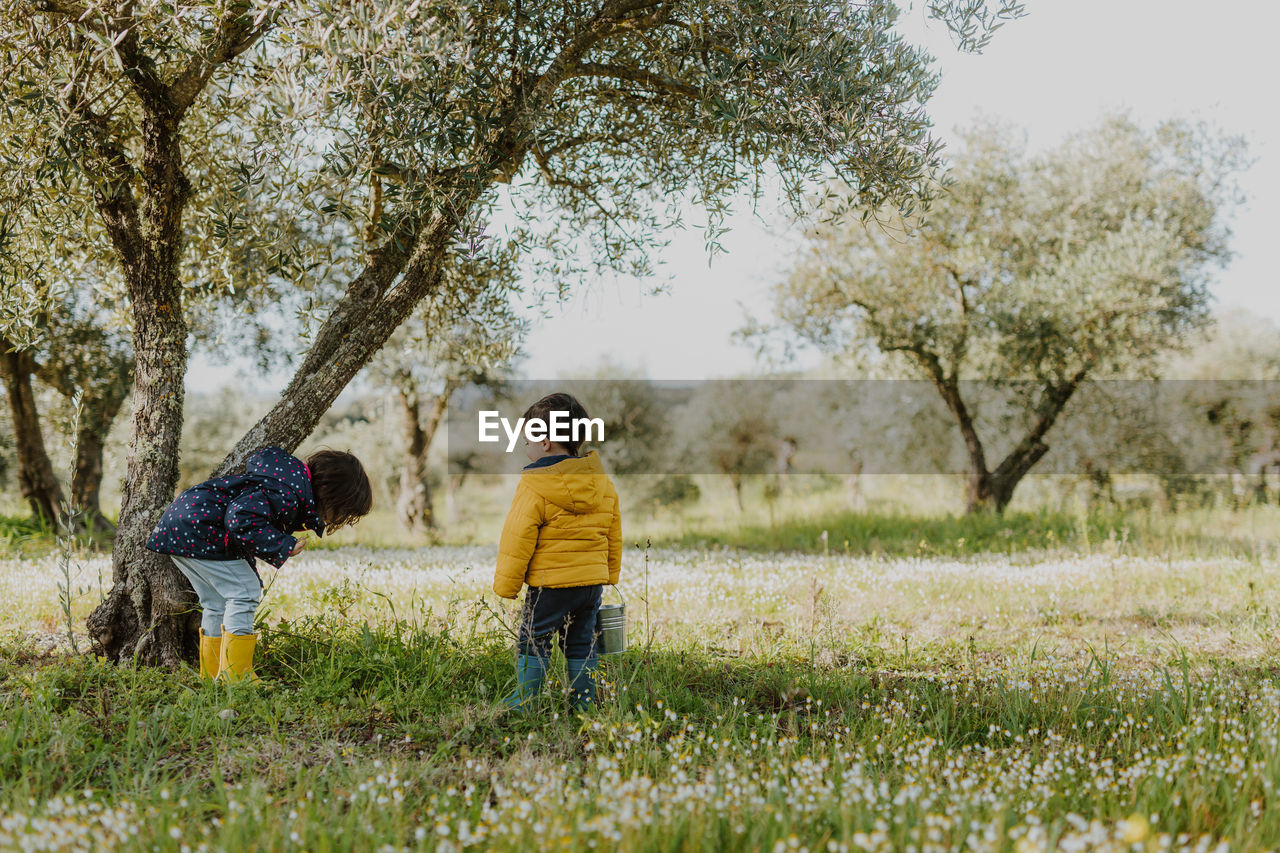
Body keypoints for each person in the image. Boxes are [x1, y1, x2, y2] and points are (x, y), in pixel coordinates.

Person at [147, 447, 373, 682]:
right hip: (202, 528)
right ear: (330, 494)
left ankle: (212, 674)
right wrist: (282, 544)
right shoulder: (287, 493)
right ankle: (236, 676)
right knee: (245, 591)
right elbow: (239, 518)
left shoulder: (283, 481)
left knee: (215, 603)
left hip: (181, 526)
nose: (335, 520)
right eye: (340, 512)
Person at [493, 393, 622, 711]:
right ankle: (584, 702)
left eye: (528, 441)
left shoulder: (535, 484)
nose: (526, 448)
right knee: (582, 639)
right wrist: (610, 574)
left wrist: (506, 586)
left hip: (550, 585)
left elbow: (517, 537)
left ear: (545, 441)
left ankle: (526, 701)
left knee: (533, 637)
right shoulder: (601, 482)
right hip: (590, 585)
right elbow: (613, 532)